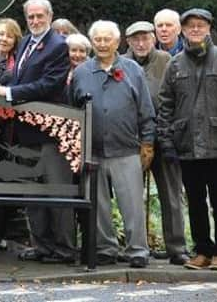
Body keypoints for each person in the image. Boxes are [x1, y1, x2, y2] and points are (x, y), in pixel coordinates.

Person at [0, 0, 76, 264]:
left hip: (50, 131)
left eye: (39, 16)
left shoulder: (58, 45)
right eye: (30, 17)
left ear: (49, 15)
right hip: (24, 132)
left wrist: (8, 92)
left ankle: (65, 249)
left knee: (57, 191)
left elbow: (50, 85)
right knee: (33, 194)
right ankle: (43, 246)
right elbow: (20, 77)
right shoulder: (24, 43)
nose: (35, 21)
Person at [157, 8, 217, 271]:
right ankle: (202, 250)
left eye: (200, 25)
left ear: (209, 28)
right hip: (186, 145)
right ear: (183, 30)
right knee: (195, 202)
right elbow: (165, 105)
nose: (195, 30)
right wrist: (166, 140)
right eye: (190, 26)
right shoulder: (174, 65)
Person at [69, 20, 155, 268]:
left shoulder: (132, 70)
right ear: (92, 42)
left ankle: (137, 250)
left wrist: (148, 142)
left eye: (108, 39)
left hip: (126, 148)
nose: (103, 44)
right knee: (99, 207)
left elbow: (145, 109)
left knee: (132, 205)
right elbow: (72, 109)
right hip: (92, 151)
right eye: (98, 39)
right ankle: (105, 249)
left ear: (117, 43)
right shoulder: (82, 72)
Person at [123, 21, 189, 265]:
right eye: (135, 39)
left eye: (145, 38)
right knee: (131, 196)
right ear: (128, 41)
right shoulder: (121, 63)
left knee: (171, 195)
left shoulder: (166, 60)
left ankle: (177, 247)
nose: (141, 44)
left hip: (164, 137)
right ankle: (135, 247)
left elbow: (176, 98)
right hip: (131, 140)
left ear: (153, 39)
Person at [0, 17, 22, 82]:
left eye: (9, 36)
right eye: (1, 34)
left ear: (15, 41)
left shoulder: (21, 61)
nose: (4, 39)